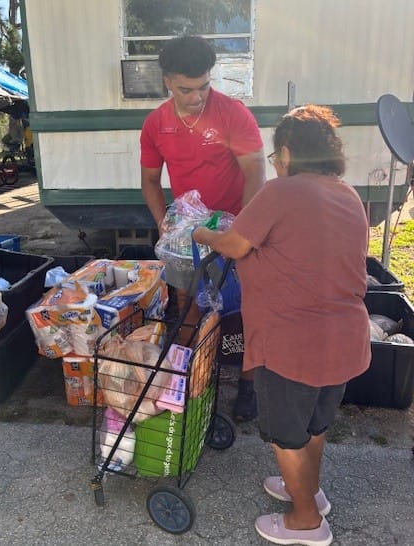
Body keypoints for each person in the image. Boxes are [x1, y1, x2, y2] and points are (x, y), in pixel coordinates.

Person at [193, 104, 371, 546]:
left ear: (287, 153)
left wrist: (202, 234)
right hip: (344, 338)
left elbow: (234, 244)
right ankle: (309, 492)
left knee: (286, 435)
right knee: (314, 424)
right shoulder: (348, 195)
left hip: (292, 342)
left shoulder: (282, 192)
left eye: (275, 157)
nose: (275, 164)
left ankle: (306, 520)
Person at [140, 35, 265, 421]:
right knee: (188, 306)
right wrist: (165, 227)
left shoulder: (233, 113)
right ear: (167, 81)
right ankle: (192, 378)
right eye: (186, 89)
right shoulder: (156, 124)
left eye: (204, 87)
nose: (197, 97)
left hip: (233, 230)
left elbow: (255, 172)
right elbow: (150, 181)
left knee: (244, 311)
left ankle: (249, 385)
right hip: (188, 234)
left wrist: (243, 229)